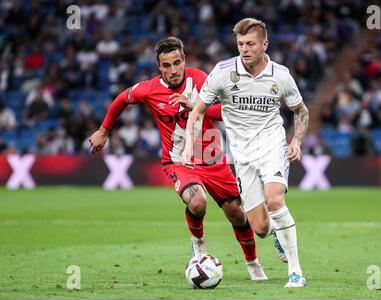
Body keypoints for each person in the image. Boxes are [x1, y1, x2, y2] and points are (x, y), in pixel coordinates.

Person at [88, 37, 267, 281]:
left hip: (212, 158)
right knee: (197, 202)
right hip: (179, 162)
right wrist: (104, 130)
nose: (173, 70)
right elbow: (121, 100)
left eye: (177, 63)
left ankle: (252, 263)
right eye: (166, 65)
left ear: (184, 60)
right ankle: (199, 246)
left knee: (236, 213)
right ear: (158, 67)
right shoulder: (149, 90)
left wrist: (195, 106)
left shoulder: (202, 79)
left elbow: (226, 112)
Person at [182, 18, 309, 287]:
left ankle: (296, 272)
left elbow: (300, 110)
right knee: (260, 228)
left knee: (274, 199)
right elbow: (198, 110)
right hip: (242, 155)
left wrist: (296, 140)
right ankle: (276, 231)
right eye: (240, 44)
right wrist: (190, 146)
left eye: (250, 44)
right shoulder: (222, 71)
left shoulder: (281, 74)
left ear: (265, 44)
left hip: (272, 144)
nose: (244, 49)